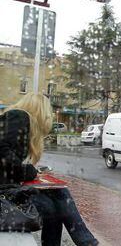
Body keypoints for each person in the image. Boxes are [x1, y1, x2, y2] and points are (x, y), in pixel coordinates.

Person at [0, 92, 98, 246]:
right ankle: (87, 242)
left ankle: (87, 242)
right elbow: (2, 151)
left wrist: (31, 173)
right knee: (55, 203)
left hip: (8, 190)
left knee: (56, 199)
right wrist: (30, 172)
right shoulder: (19, 116)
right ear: (41, 111)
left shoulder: (17, 120)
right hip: (4, 195)